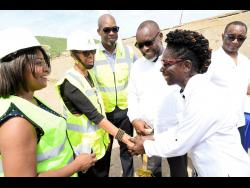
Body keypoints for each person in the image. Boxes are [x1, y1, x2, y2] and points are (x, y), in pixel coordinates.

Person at [127, 29, 250, 177]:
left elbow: (180, 143)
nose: (161, 69)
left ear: (186, 66)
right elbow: (182, 130)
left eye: (166, 64)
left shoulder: (203, 98)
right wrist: (150, 138)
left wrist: (146, 145)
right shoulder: (194, 91)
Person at [0, 27, 96, 177]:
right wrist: (76, 166)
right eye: (39, 63)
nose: (46, 69)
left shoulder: (27, 100)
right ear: (15, 66)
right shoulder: (15, 122)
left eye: (45, 61)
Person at [56, 30, 134, 177]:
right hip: (84, 152)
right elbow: (95, 116)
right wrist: (125, 138)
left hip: (99, 146)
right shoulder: (70, 83)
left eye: (92, 51)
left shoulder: (90, 74)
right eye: (86, 53)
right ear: (73, 54)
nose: (91, 56)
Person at [127, 20, 188, 177]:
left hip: (174, 131)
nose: (144, 49)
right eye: (139, 45)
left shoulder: (177, 61)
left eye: (148, 43)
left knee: (179, 172)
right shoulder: (136, 67)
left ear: (160, 36)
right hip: (148, 131)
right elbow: (132, 96)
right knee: (152, 172)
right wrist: (135, 119)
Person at [92, 14, 137, 177]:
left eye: (115, 29)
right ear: (99, 31)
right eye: (107, 29)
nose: (111, 33)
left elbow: (139, 76)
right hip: (104, 115)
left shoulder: (129, 52)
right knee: (104, 153)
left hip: (125, 112)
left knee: (127, 150)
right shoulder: (93, 55)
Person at [207, 21, 250, 151]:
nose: (236, 41)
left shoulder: (245, 62)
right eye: (231, 36)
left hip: (239, 123)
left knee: (239, 163)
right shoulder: (210, 60)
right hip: (216, 126)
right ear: (222, 36)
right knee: (213, 166)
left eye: (240, 38)